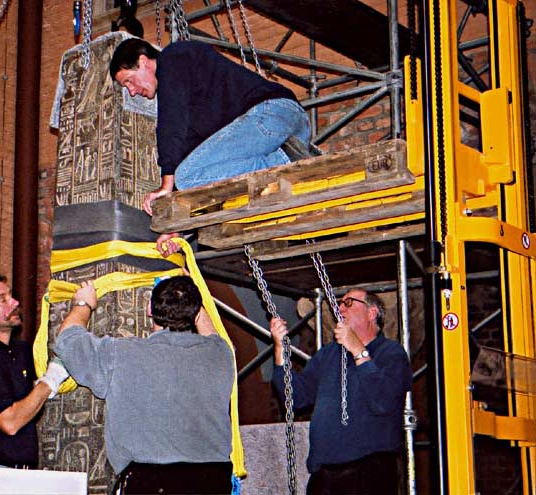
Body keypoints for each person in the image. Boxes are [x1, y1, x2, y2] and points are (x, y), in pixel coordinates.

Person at [109, 38, 311, 256]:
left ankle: (283, 162)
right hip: (288, 127)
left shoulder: (173, 57)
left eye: (129, 81)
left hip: (272, 114)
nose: (131, 91)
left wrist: (166, 184)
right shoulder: (198, 103)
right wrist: (176, 227)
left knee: (185, 176)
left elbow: (171, 123)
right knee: (191, 174)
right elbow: (193, 157)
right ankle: (286, 162)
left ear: (143, 61)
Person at [55, 276, 235, 494]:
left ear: (150, 309)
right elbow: (212, 334)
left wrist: (83, 303)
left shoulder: (120, 354)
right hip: (213, 483)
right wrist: (188, 292)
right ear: (196, 312)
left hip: (149, 483)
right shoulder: (220, 355)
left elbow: (67, 340)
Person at [270, 288, 412, 495]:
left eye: (348, 303)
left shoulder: (391, 353)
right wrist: (280, 351)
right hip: (325, 473)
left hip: (369, 470)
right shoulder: (328, 354)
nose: (339, 309)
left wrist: (358, 351)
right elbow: (295, 398)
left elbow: (383, 401)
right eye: (339, 303)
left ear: (371, 313)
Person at [0, 273, 69, 468]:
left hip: (20, 470)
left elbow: (28, 407)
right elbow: (9, 423)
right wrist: (51, 379)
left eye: (10, 296)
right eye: (2, 300)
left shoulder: (21, 351)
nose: (14, 302)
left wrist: (38, 390)